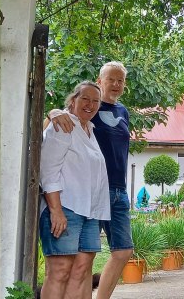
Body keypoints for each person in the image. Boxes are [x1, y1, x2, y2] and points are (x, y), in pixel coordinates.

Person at [49, 61, 133, 298]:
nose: (116, 84)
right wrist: (54, 112)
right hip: (94, 189)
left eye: (120, 81)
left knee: (123, 250)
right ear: (100, 80)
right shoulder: (90, 107)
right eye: (111, 79)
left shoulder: (123, 111)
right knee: (86, 254)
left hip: (119, 190)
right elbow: (59, 121)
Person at [39, 81, 110, 299]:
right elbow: (48, 171)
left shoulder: (90, 129)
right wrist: (56, 211)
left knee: (81, 270)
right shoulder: (63, 124)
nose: (90, 104)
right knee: (59, 271)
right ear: (73, 100)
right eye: (85, 98)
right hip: (65, 208)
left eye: (95, 101)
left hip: (90, 212)